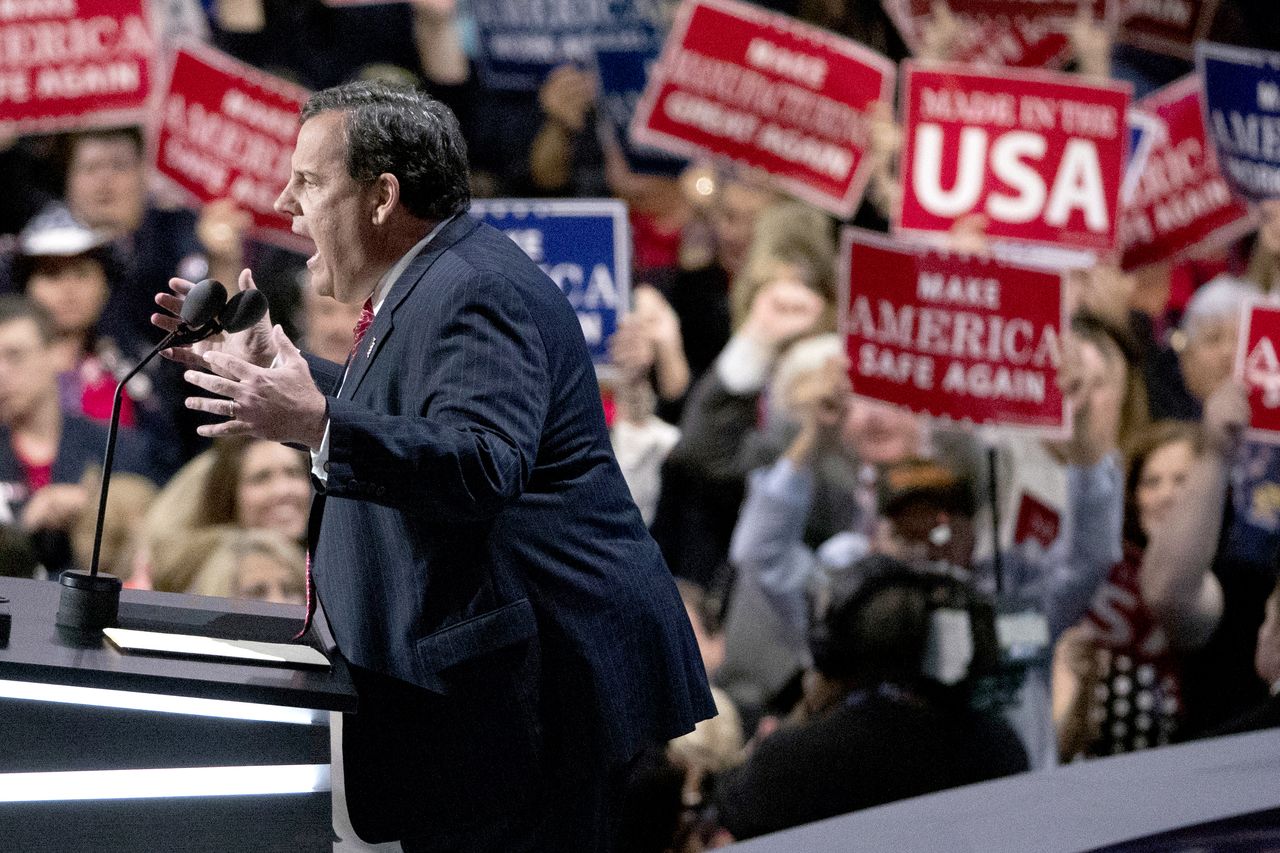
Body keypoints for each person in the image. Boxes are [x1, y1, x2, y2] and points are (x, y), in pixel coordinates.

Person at [157, 80, 714, 850]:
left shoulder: (473, 289)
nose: (285, 201)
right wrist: (291, 377)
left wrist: (317, 418)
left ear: (382, 197)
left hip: (525, 706)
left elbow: (484, 462)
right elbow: (408, 418)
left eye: (310, 181)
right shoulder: (433, 278)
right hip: (487, 704)